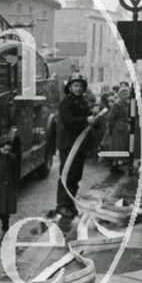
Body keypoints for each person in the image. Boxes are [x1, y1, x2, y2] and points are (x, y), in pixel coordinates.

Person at [54, 72, 102, 218]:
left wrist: (96, 119)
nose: (78, 88)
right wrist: (86, 120)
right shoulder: (65, 103)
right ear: (69, 87)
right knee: (67, 175)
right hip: (69, 145)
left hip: (80, 146)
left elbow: (90, 122)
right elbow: (69, 122)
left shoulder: (82, 102)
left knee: (76, 177)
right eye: (75, 85)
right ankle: (62, 205)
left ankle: (70, 203)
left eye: (81, 86)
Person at [108, 87, 131, 172]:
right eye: (123, 94)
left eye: (127, 94)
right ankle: (114, 166)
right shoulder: (117, 104)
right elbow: (112, 117)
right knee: (117, 147)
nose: (125, 96)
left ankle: (118, 165)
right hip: (117, 128)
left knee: (122, 147)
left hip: (124, 127)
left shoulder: (127, 104)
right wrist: (111, 128)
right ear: (120, 95)